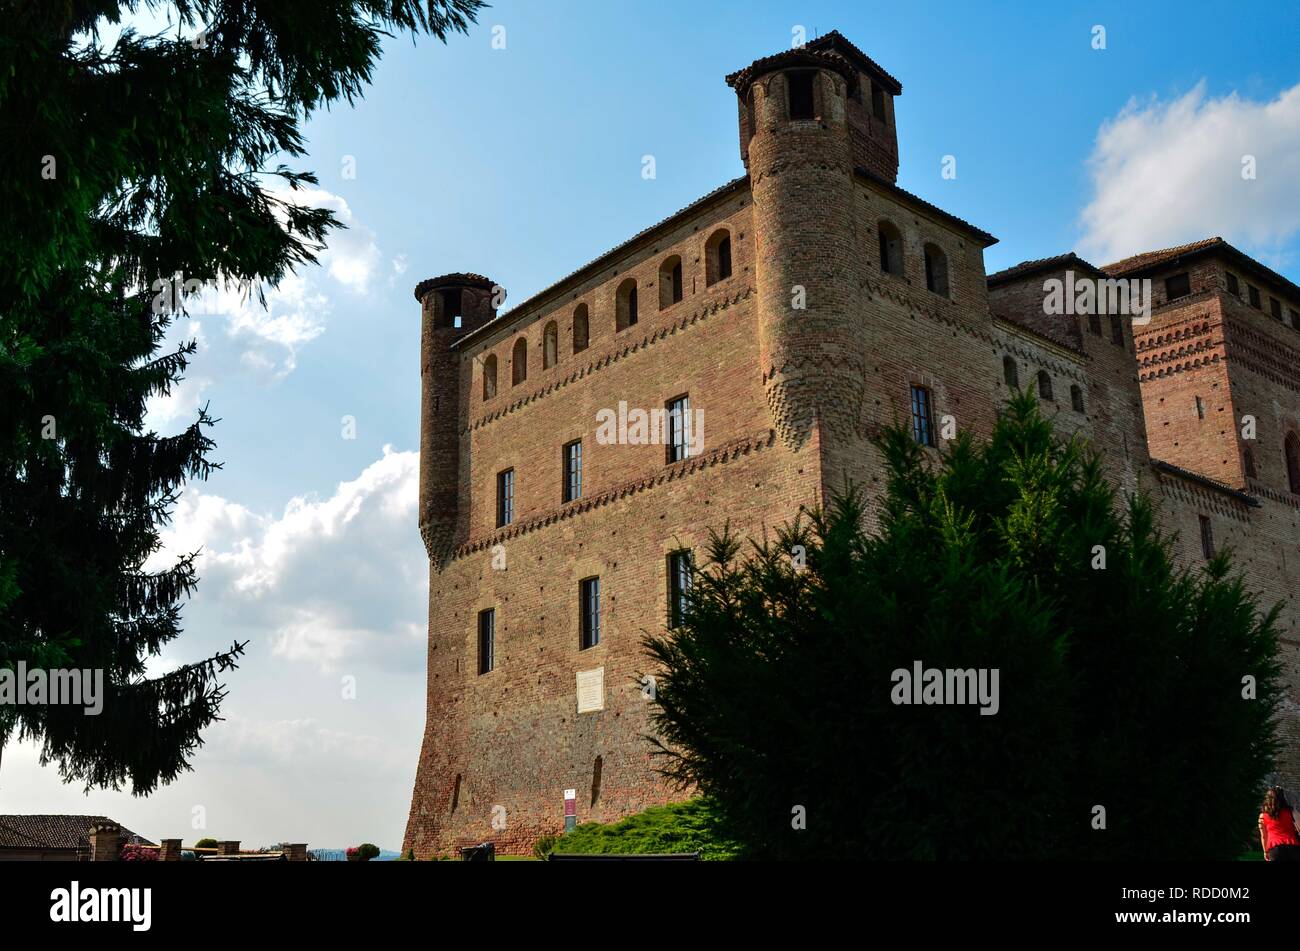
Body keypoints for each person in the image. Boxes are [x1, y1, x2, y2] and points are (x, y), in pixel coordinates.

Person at [1259, 786, 1300, 861]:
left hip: (1274, 849)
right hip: (1293, 846)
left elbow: (1264, 836)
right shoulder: (1292, 811)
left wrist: (1265, 852)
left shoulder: (1262, 816)